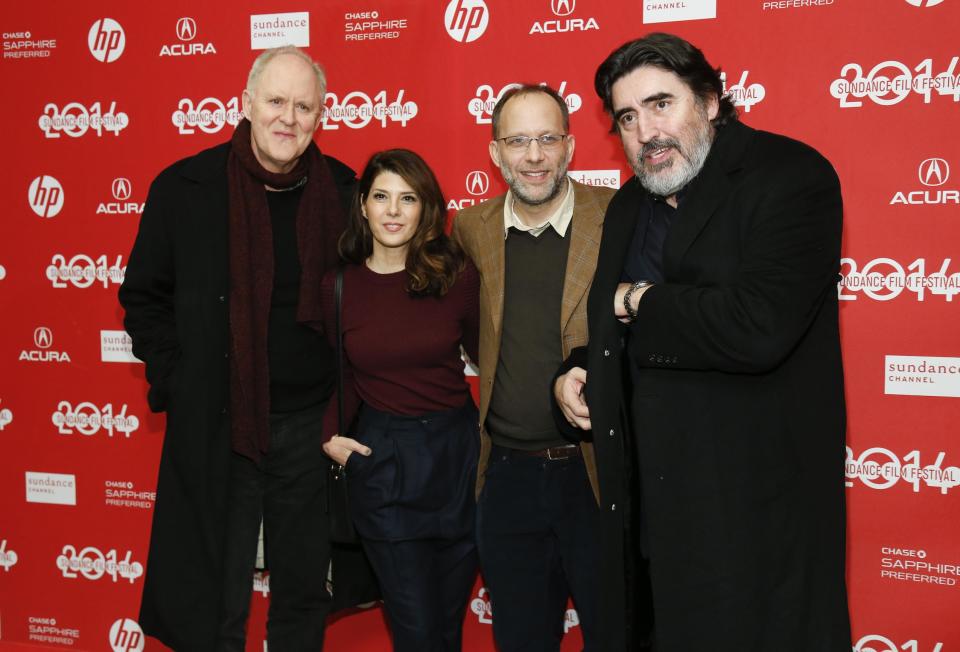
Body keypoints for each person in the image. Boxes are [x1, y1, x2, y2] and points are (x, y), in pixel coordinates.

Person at [553, 33, 852, 651]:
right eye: (628, 117)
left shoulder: (792, 176)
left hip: (755, 519)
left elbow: (758, 326)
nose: (645, 131)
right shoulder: (631, 202)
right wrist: (583, 368)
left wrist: (640, 301)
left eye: (662, 104)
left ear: (711, 101)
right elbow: (619, 330)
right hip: (650, 520)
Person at [119, 47, 356, 651]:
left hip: (311, 430)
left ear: (321, 116)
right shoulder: (184, 187)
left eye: (304, 106)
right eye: (275, 101)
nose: (288, 118)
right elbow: (143, 298)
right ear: (245, 103)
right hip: (219, 425)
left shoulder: (344, 189)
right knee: (213, 598)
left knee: (304, 592)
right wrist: (183, 380)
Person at [452, 84, 615, 652]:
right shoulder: (471, 230)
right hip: (508, 478)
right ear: (495, 153)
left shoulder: (616, 216)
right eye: (518, 141)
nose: (534, 155)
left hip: (599, 476)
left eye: (547, 138)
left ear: (570, 146)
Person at [320, 149, 480, 652]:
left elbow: (489, 356)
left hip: (458, 456)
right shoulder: (339, 286)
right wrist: (329, 437)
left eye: (407, 198)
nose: (393, 211)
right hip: (385, 463)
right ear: (363, 205)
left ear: (425, 208)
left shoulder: (456, 276)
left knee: (447, 629)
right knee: (415, 630)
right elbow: (336, 373)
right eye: (381, 197)